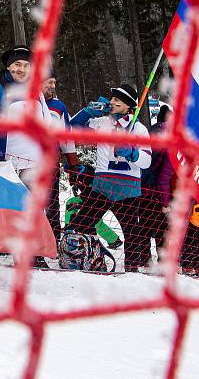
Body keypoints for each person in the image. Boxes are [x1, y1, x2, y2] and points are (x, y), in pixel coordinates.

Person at [68, 84, 152, 272]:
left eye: (117, 100)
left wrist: (132, 153)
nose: (112, 102)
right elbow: (71, 128)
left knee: (132, 231)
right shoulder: (101, 124)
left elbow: (147, 161)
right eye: (112, 99)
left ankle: (132, 269)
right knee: (82, 223)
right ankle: (85, 257)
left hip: (128, 188)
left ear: (128, 106)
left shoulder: (138, 129)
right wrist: (88, 112)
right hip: (102, 185)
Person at [0, 45, 56, 267]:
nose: (22, 69)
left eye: (26, 65)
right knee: (18, 207)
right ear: (8, 66)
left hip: (35, 160)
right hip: (11, 160)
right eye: (17, 64)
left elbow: (47, 123)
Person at [42, 75, 79, 241]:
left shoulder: (59, 106)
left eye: (54, 82)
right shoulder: (25, 101)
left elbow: (67, 137)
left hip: (51, 164)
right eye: (49, 82)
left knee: (51, 203)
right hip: (25, 162)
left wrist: (73, 165)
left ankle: (53, 239)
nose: (53, 85)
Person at [139, 104, 174, 268]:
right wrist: (165, 203)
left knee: (143, 226)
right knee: (161, 228)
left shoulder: (149, 132)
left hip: (139, 187)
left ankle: (145, 259)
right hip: (155, 191)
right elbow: (164, 177)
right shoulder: (170, 140)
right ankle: (162, 260)